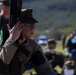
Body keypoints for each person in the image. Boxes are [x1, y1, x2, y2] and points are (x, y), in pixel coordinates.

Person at [0, 8, 57, 75]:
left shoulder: (32, 45)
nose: (33, 28)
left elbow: (45, 69)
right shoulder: (2, 40)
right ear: (16, 26)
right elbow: (1, 67)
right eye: (28, 24)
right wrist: (12, 41)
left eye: (33, 24)